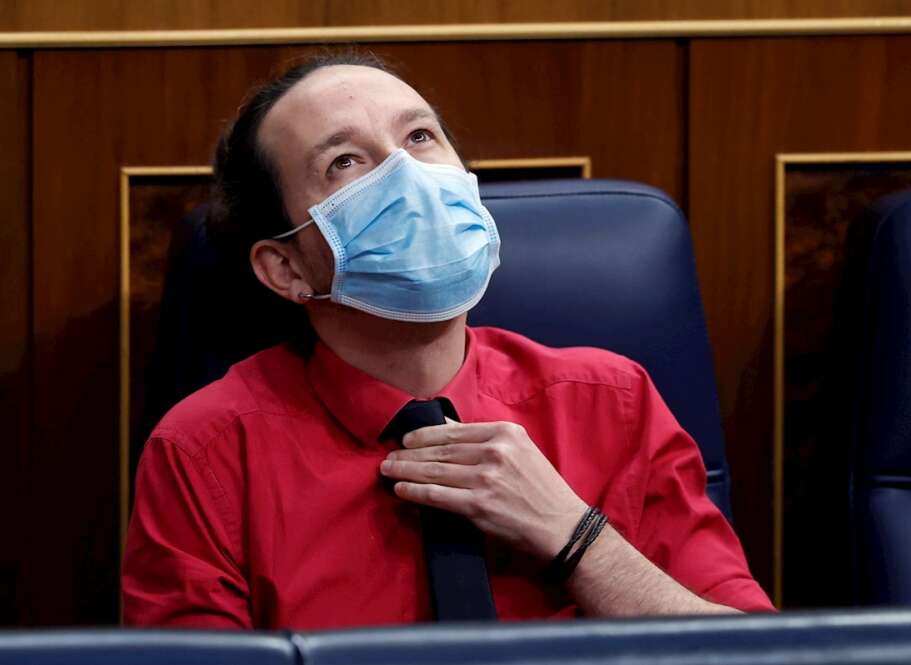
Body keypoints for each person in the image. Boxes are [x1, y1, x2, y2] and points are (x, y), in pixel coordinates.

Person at [122, 50, 774, 629]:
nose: (408, 175)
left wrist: (578, 539)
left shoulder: (614, 400)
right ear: (286, 268)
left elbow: (754, 655)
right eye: (346, 161)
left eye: (420, 136)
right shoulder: (205, 452)